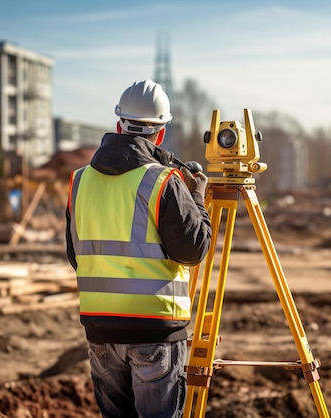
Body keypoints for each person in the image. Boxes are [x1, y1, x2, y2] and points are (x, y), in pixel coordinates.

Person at [65, 79, 212, 418]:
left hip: (100, 330)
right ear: (160, 134)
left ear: (118, 125)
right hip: (155, 330)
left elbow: (77, 256)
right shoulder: (164, 181)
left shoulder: (79, 181)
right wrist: (197, 199)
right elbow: (194, 250)